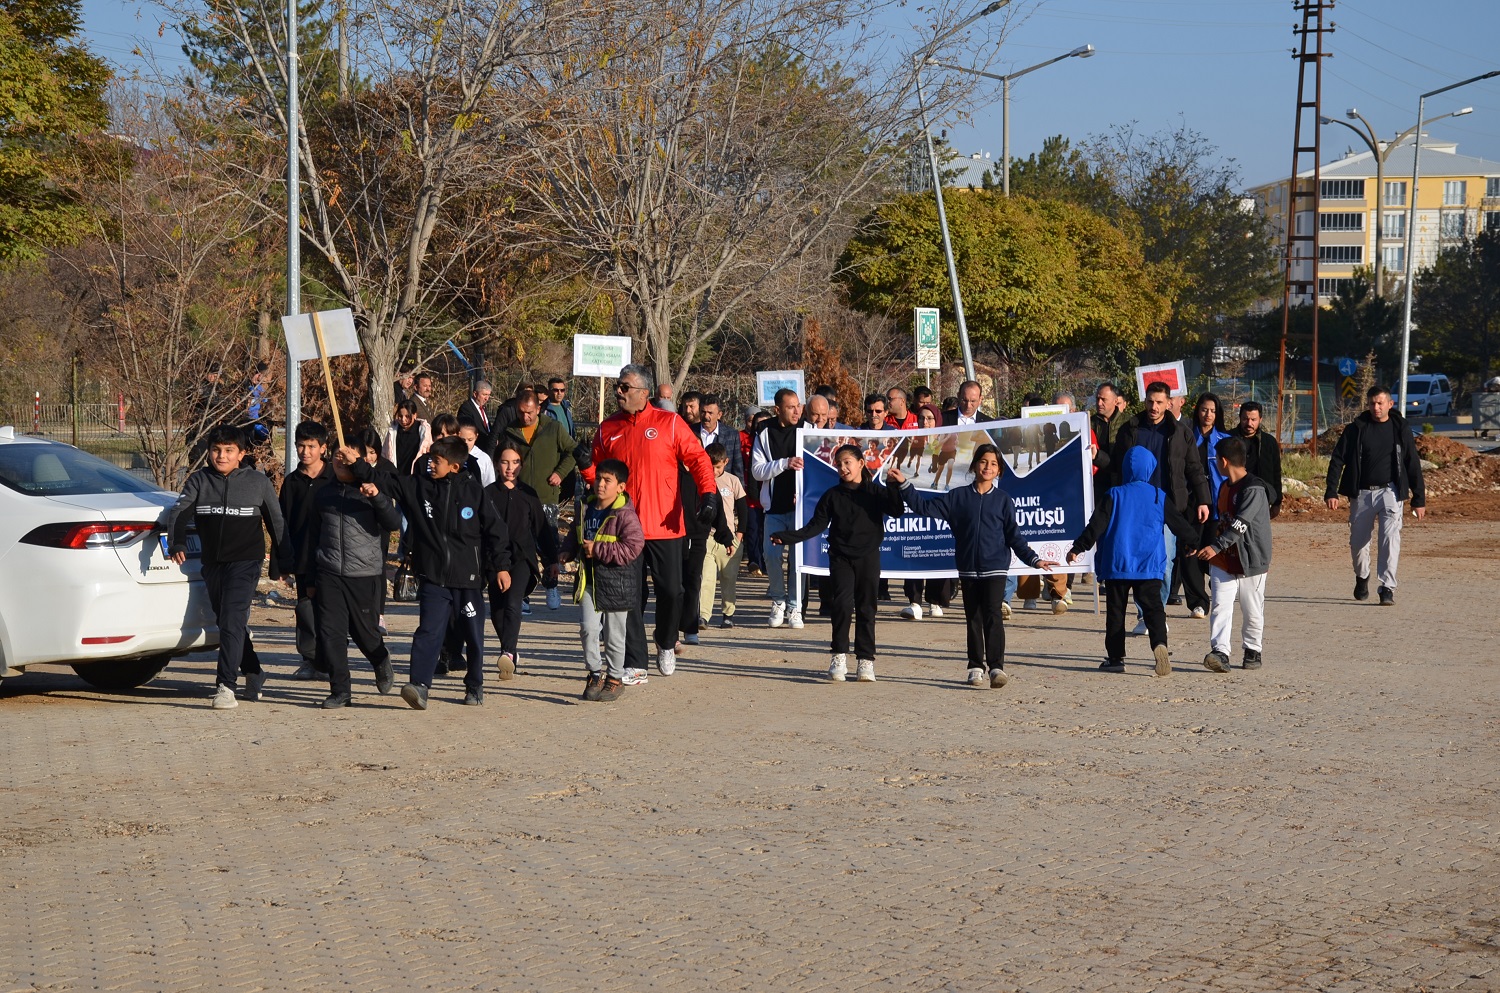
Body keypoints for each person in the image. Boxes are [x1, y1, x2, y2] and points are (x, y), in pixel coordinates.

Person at [351, 435, 511, 709]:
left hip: (468, 581)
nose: (430, 465)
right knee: (428, 631)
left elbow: (496, 531)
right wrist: (356, 464)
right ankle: (419, 686)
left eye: (437, 461)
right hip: (434, 579)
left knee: (473, 634)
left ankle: (474, 683)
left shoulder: (474, 493)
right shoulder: (419, 487)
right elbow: (385, 480)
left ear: (454, 467)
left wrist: (501, 567)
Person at [590, 364, 718, 680]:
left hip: (666, 525)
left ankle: (664, 640)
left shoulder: (670, 423)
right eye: (617, 387)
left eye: (624, 387)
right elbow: (596, 474)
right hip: (624, 528)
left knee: (672, 591)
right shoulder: (608, 429)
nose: (618, 392)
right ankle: (635, 662)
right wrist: (585, 470)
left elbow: (699, 460)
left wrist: (709, 494)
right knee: (628, 597)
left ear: (644, 392)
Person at [889, 446, 1054, 688]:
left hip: (996, 568)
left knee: (993, 616)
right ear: (975, 465)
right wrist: (904, 484)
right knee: (973, 618)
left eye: (994, 464)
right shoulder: (957, 497)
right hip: (968, 569)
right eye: (984, 462)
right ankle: (975, 667)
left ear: (999, 471)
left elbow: (1014, 537)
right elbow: (924, 508)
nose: (988, 467)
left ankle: (997, 667)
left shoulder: (1003, 501)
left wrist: (1034, 559)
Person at [163, 425, 294, 709]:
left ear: (242, 454)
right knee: (227, 623)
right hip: (213, 562)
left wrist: (283, 563)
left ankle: (226, 686)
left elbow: (277, 522)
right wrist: (177, 543)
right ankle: (255, 671)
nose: (221, 456)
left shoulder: (257, 482)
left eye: (228, 451)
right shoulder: (199, 480)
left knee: (233, 619)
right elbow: (180, 512)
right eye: (216, 450)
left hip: (246, 561)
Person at [771, 445, 906, 683]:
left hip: (868, 557)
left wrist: (894, 486)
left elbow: (896, 511)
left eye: (847, 463)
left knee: (866, 608)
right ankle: (839, 656)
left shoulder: (875, 492)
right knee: (842, 605)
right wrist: (787, 537)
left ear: (861, 464)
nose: (842, 468)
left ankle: (866, 661)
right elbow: (815, 526)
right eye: (839, 463)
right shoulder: (832, 495)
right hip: (840, 557)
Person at [1066, 448, 1199, 677]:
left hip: (1118, 563)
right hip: (1148, 564)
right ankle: (1160, 644)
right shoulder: (1158, 495)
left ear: (1126, 468)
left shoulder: (1113, 494)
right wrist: (1193, 541)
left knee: (1116, 612)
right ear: (1150, 468)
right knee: (1154, 608)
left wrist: (1078, 548)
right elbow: (1178, 523)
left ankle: (1116, 658)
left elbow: (1095, 526)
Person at [1110, 380, 1211, 625]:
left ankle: (1154, 613)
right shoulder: (1130, 429)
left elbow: (1194, 469)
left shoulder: (1180, 433)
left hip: (1167, 508)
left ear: (1169, 403)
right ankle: (1147, 615)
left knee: (1163, 567)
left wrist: (1203, 500)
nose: (1153, 407)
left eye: (1159, 402)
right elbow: (1115, 467)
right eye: (1150, 402)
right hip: (1134, 510)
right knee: (1139, 565)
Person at [314, 446, 403, 708]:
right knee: (331, 632)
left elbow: (392, 523)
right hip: (329, 572)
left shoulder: (371, 490)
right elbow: (312, 533)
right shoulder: (323, 493)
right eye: (337, 457)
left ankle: (379, 658)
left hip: (364, 573)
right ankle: (341, 690)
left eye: (347, 457)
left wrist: (376, 497)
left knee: (365, 633)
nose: (341, 462)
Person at [1324, 386, 1426, 605]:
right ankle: (1362, 577)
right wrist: (1331, 491)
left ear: (1390, 404)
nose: (1376, 407)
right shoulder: (1356, 429)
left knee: (1390, 539)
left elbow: (1412, 463)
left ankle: (1387, 587)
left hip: (1391, 492)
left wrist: (1419, 499)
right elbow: (1337, 459)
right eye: (1372, 403)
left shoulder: (1400, 429)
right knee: (1358, 544)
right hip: (1361, 493)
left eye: (1380, 403)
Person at [561, 459, 643, 702]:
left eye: (608, 480)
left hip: (617, 583)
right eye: (599, 478)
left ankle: (615, 679)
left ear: (620, 487)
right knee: (588, 628)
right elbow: (576, 533)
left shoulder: (625, 514)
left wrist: (598, 549)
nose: (601, 484)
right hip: (589, 581)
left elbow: (633, 547)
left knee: (614, 634)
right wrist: (567, 550)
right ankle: (594, 673)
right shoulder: (585, 507)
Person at [1194, 437, 1274, 673]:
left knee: (1252, 607)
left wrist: (1214, 546)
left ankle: (1252, 649)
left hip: (1251, 559)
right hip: (1224, 558)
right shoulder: (1224, 486)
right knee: (1220, 605)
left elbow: (1241, 524)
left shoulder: (1254, 489)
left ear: (1224, 461)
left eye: (1216, 459)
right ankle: (1220, 652)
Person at [486, 443, 559, 679]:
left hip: (522, 559)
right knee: (497, 609)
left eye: (515, 462)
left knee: (513, 602)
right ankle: (510, 652)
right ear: (497, 464)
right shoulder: (486, 494)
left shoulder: (529, 494)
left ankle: (507, 653)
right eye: (505, 462)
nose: (510, 468)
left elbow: (542, 530)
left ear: (522, 464)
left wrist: (552, 560)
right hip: (494, 560)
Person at [499, 389, 576, 611]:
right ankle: (522, 594)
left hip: (545, 495)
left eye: (530, 413)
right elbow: (503, 459)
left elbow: (572, 451)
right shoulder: (511, 430)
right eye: (522, 413)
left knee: (549, 543)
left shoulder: (553, 428)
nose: (526, 417)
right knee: (520, 545)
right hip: (518, 496)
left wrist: (560, 473)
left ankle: (551, 585)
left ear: (539, 409)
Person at [275, 420, 336, 682]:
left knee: (331, 613)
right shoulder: (292, 482)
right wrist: (281, 564)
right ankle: (310, 660)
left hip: (333, 558)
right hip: (302, 558)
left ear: (323, 448)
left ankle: (332, 661)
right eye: (301, 446)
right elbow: (283, 523)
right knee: (306, 611)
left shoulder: (336, 477)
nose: (305, 451)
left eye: (311, 446)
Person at [752, 388, 806, 630]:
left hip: (800, 509)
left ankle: (795, 607)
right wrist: (784, 464)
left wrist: (805, 492)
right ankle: (778, 601)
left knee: (797, 560)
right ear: (778, 410)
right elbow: (756, 470)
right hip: (773, 508)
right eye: (791, 407)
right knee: (772, 557)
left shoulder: (807, 430)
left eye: (799, 406)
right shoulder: (764, 432)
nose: (797, 411)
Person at [1177, 393, 1230, 619]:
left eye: (1212, 411)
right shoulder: (1185, 437)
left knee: (1214, 552)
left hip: (1218, 505)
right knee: (1190, 551)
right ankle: (1198, 602)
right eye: (1203, 410)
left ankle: (1217, 592)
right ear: (1197, 411)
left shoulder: (1225, 441)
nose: (1207, 415)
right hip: (1190, 504)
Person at [700, 442, 747, 629]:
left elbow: (743, 510)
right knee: (707, 578)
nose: (714, 471)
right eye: (710, 466)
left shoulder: (733, 481)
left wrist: (739, 535)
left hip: (729, 541)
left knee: (728, 578)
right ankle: (704, 616)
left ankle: (728, 613)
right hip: (708, 538)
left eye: (717, 467)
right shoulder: (701, 480)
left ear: (725, 462)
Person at [1233, 401, 1283, 516]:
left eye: (1253, 420)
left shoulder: (1269, 442)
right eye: (1245, 419)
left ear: (1260, 419)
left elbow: (1276, 472)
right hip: (1235, 496)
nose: (1249, 423)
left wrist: (1277, 502)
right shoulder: (1229, 439)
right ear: (1240, 418)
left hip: (1262, 497)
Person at [740, 406, 767, 576]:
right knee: (752, 529)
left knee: (765, 531)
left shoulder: (774, 441)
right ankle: (754, 560)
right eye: (758, 423)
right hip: (750, 493)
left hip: (768, 492)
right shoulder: (743, 439)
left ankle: (765, 562)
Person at [695, 394, 743, 481]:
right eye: (703, 412)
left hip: (723, 488)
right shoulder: (689, 432)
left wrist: (739, 492)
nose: (706, 416)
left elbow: (737, 468)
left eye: (710, 413)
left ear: (719, 415)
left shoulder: (731, 435)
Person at [381, 399, 431, 475]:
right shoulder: (393, 431)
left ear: (414, 415)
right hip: (396, 475)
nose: (403, 420)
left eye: (407, 416)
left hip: (416, 475)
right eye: (400, 416)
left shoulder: (424, 432)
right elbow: (384, 454)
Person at [455, 419, 496, 487]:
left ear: (476, 437)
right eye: (462, 440)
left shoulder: (483, 458)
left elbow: (489, 485)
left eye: (470, 440)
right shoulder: (451, 454)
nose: (466, 443)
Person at [457, 380, 495, 452]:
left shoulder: (483, 408)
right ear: (475, 394)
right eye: (484, 395)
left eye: (488, 395)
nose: (487, 398)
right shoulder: (466, 408)